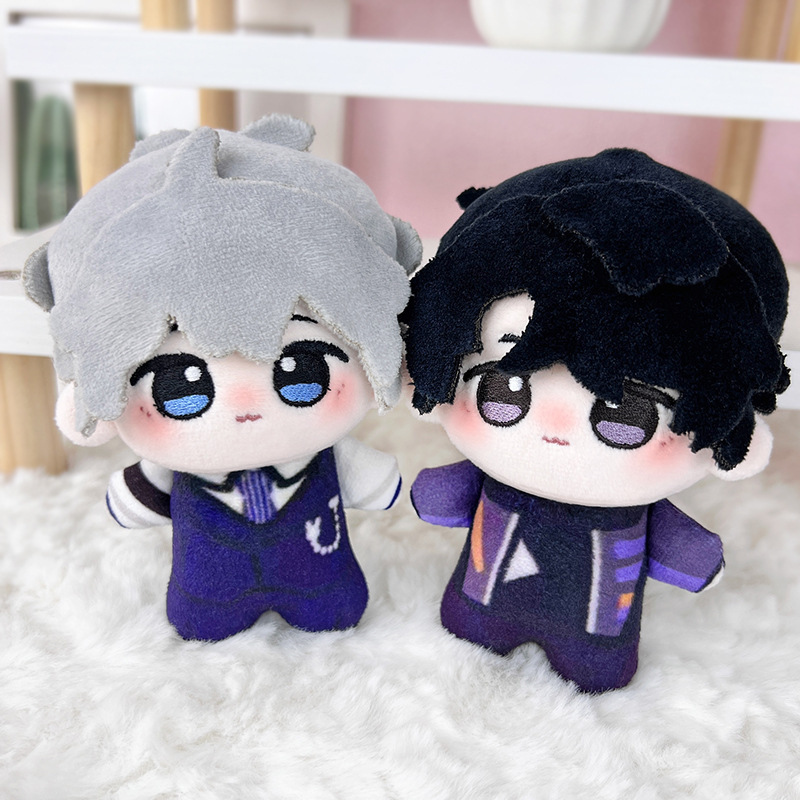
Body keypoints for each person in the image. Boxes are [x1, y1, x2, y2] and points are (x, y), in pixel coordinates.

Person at [403, 148, 788, 692]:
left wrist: (697, 558)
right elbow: (437, 496)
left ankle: (590, 656)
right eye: (504, 388)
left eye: (627, 412)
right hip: (480, 602)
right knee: (477, 617)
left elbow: (690, 554)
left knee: (596, 659)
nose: (555, 422)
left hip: (599, 634)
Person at [24, 115, 421, 641]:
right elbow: (129, 504)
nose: (244, 400)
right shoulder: (171, 469)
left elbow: (381, 487)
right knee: (203, 613)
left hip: (322, 582)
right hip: (207, 593)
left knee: (332, 604)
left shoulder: (328, 455)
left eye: (299, 371)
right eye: (181, 389)